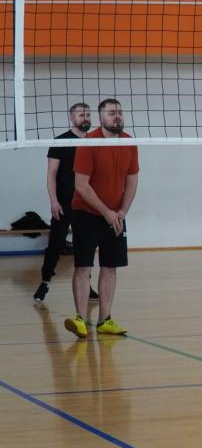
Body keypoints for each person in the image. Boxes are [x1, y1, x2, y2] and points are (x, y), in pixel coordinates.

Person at [63, 99, 138, 339]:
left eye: (120, 112)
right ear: (101, 117)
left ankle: (105, 319)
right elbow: (81, 185)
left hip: (115, 214)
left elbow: (132, 180)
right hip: (86, 213)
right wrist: (107, 212)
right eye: (111, 113)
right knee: (83, 266)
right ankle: (80, 319)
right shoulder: (89, 142)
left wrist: (122, 211)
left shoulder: (129, 142)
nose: (117, 116)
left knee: (110, 266)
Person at [34, 103, 98, 304]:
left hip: (86, 203)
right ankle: (45, 281)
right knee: (56, 244)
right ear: (72, 118)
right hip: (63, 202)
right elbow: (51, 175)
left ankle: (86, 286)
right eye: (81, 115)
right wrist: (53, 201)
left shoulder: (95, 141)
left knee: (85, 246)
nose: (85, 118)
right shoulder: (61, 141)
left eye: (88, 115)